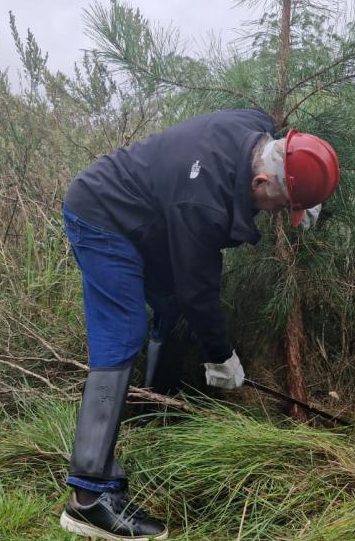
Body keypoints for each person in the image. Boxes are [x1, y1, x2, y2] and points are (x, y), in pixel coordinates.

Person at [58, 108, 339, 540]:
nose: (278, 214)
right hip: (103, 215)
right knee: (122, 333)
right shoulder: (201, 204)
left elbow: (260, 117)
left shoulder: (255, 126)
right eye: (281, 207)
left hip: (150, 221)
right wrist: (221, 356)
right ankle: (89, 496)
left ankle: (155, 411)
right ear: (260, 183)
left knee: (169, 309)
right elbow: (199, 292)